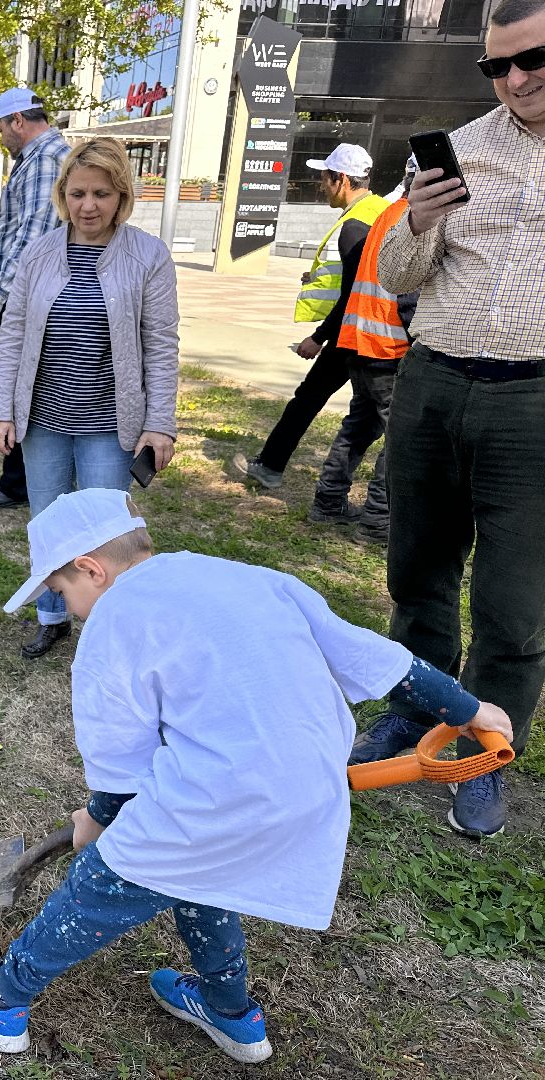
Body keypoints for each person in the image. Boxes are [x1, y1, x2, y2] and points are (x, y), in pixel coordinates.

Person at [0, 488, 514, 1063]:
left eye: (61, 592)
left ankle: (0, 995)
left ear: (91, 570)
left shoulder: (112, 627)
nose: (66, 607)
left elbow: (125, 773)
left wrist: (98, 823)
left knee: (99, 889)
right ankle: (231, 1013)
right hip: (307, 792)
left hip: (214, 796)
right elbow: (385, 661)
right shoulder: (252, 578)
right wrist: (471, 711)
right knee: (205, 874)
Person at [348, 0, 545, 838]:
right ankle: (416, 705)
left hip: (534, 403)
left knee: (514, 598)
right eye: (496, 67)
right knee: (419, 566)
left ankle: (486, 746)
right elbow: (395, 273)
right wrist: (419, 221)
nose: (516, 79)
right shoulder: (464, 147)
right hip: (433, 382)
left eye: (533, 58)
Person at [0, 138, 178, 659]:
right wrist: (0, 410)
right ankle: (53, 617)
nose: (87, 206)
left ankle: (111, 623)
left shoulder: (148, 256)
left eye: (101, 193)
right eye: (76, 193)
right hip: (43, 419)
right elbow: (15, 335)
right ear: (62, 196)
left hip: (109, 426)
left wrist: (160, 422)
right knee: (47, 520)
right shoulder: (40, 253)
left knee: (108, 530)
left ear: (122, 196)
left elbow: (161, 345)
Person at [230, 144, 389, 497]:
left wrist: (318, 337)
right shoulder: (381, 210)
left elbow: (353, 293)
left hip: (356, 334)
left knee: (323, 406)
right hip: (376, 334)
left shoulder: (354, 227)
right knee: (363, 418)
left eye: (324, 178)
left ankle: (278, 470)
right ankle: (295, 478)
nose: (321, 185)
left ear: (342, 180)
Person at [0, 88, 72, 512]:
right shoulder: (34, 160)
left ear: (18, 122)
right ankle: (26, 479)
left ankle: (17, 485)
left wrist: (2, 294)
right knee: (27, 382)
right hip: (24, 291)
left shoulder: (45, 161)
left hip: (29, 296)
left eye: (1, 129)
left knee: (22, 384)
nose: (1, 138)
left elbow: (34, 237)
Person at [309, 156, 419, 545]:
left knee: (359, 427)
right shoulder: (420, 222)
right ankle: (377, 522)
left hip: (360, 345)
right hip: (391, 349)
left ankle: (328, 502)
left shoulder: (388, 214)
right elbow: (409, 298)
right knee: (399, 439)